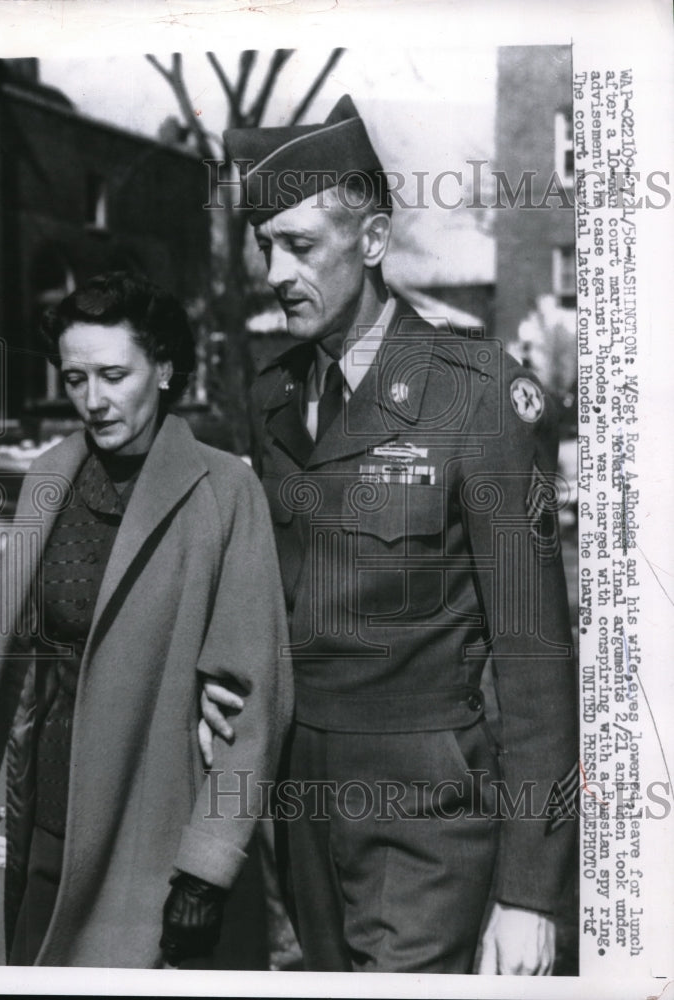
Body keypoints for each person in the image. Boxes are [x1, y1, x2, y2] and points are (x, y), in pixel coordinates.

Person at [200, 95, 578, 975]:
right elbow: (271, 585)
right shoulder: (271, 396)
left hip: (426, 814)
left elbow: (534, 660)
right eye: (264, 246)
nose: (274, 272)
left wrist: (529, 892)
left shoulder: (473, 395)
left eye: (300, 245)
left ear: (371, 240)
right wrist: (216, 671)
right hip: (299, 806)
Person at [0, 271, 293, 968]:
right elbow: (22, 674)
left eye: (113, 375)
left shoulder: (225, 489)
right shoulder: (48, 479)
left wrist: (208, 865)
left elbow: (253, 705)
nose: (93, 400)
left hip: (153, 842)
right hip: (41, 821)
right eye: (75, 379)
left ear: (163, 369)